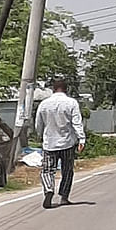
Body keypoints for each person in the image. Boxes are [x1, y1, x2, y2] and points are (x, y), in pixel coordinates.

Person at [35, 77, 86, 209]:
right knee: (67, 171)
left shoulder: (44, 104)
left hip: (49, 144)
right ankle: (64, 197)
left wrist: (41, 136)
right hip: (67, 143)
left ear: (53, 89)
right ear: (66, 89)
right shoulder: (71, 103)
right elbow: (77, 122)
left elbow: (38, 124)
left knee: (47, 170)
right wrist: (81, 139)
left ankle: (48, 189)